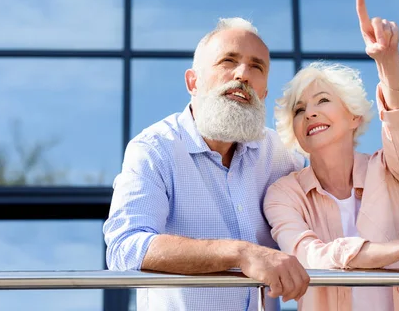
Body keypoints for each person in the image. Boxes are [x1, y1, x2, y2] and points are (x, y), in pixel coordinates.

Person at [263, 0, 399, 311]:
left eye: (323, 101)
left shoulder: (388, 171)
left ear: (354, 116)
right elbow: (312, 257)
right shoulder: (283, 194)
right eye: (299, 110)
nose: (310, 113)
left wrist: (388, 62)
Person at [103, 17, 311, 311]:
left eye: (257, 67)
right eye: (229, 61)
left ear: (263, 92)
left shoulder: (285, 156)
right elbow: (126, 249)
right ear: (193, 81)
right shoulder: (153, 148)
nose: (243, 74)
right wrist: (239, 254)